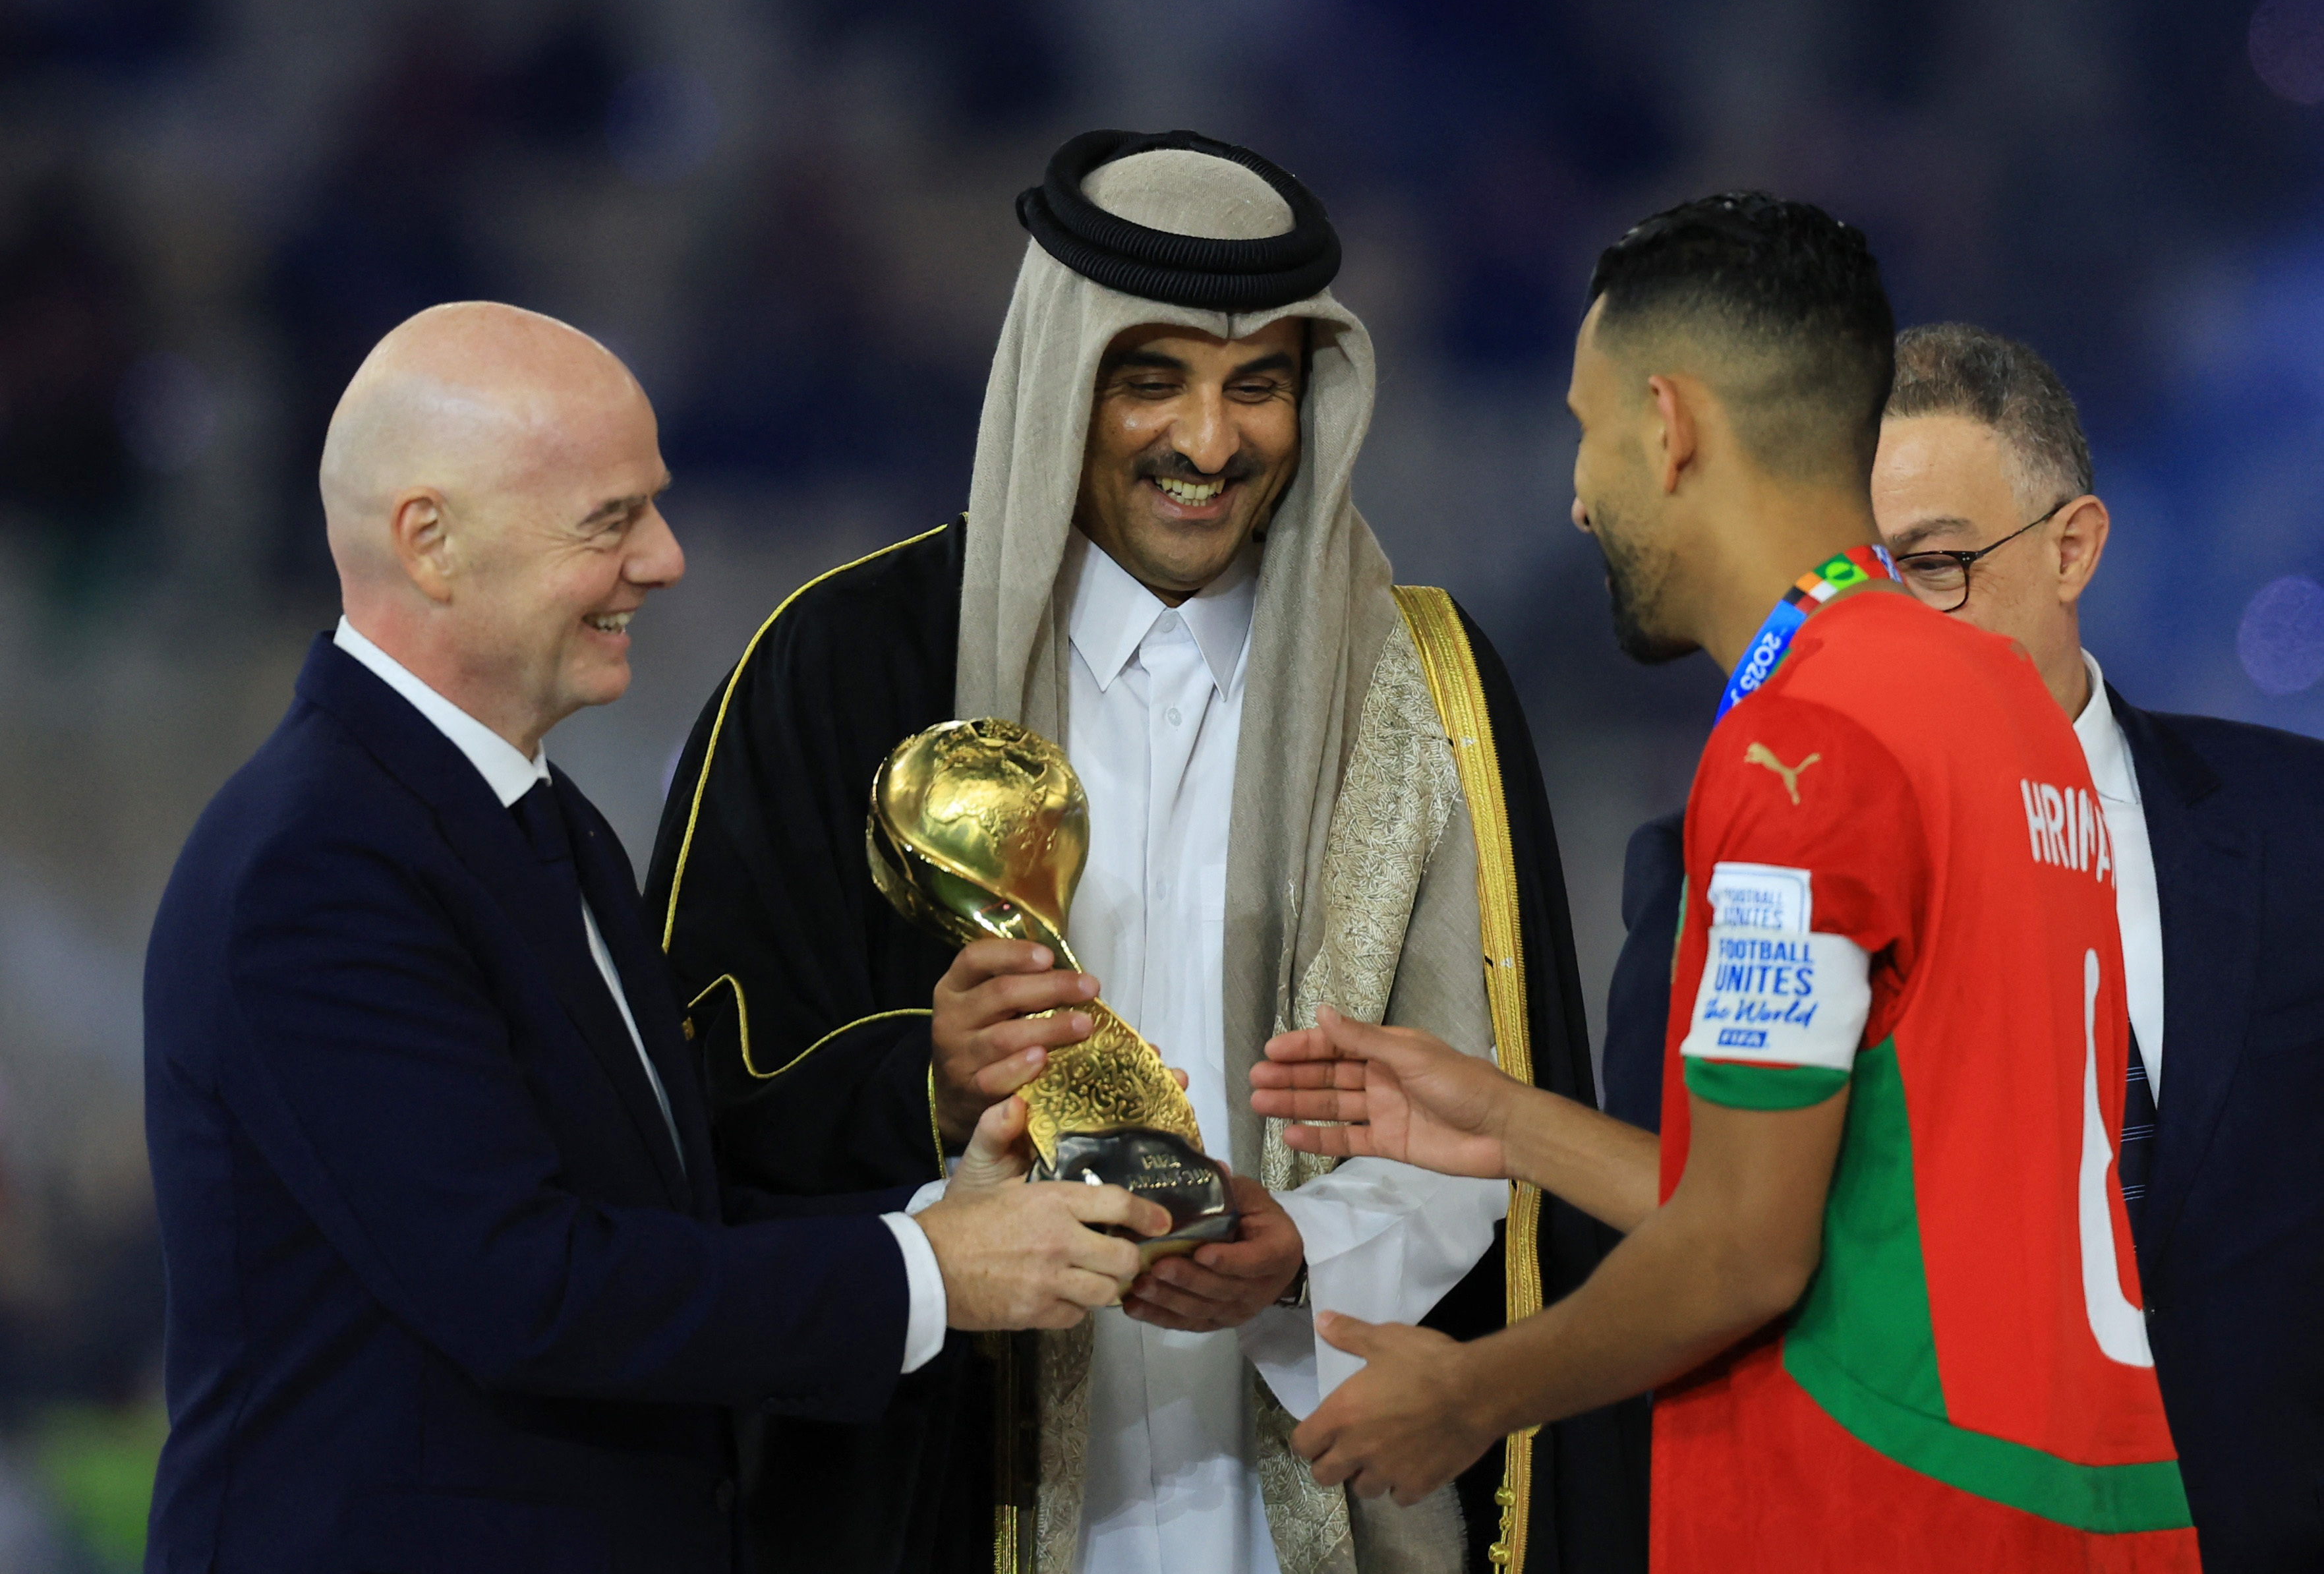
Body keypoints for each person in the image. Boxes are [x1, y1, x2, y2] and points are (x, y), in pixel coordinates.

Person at [645, 131, 1643, 1574]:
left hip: (1319, 1490)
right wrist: (922, 1082)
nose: (1207, 441)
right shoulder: (848, 663)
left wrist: (1300, 1249)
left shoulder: (1420, 688)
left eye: (1259, 386)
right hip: (943, 1485)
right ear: (1064, 379)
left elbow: (1505, 1123)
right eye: (1150, 380)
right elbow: (699, 1088)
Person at [1250, 194, 2200, 1569]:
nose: (1576, 493)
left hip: (1879, 1515)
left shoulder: (1807, 742)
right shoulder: (1994, 701)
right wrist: (1516, 1123)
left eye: (1586, 430)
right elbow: (1858, 1201)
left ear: (1669, 422)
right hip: (2084, 1508)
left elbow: (1748, 1252)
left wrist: (1469, 1393)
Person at [141, 301, 1168, 1574]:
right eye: (610, 520)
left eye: (654, 507)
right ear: (430, 542)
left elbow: (654, 1214)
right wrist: (925, 1272)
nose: (667, 559)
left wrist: (940, 1197)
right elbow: (526, 1290)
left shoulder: (534, 818)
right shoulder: (317, 867)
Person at [1871, 322, 2324, 1571]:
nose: (1898, 619)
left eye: (1939, 564)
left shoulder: (2302, 831)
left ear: (2071, 546)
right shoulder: (1774, 876)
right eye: (1866, 576)